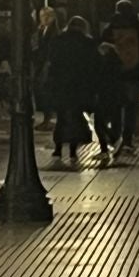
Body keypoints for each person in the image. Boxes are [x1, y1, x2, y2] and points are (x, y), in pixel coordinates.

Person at [99, 0, 139, 154]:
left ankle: (115, 136)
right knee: (131, 107)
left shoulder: (109, 29)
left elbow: (102, 53)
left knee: (115, 106)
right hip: (134, 75)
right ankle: (128, 138)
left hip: (115, 75)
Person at [44, 15, 101, 168]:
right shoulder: (88, 43)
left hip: (60, 84)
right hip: (79, 85)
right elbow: (94, 66)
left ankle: (57, 148)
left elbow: (51, 61)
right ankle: (73, 150)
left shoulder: (58, 40)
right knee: (76, 116)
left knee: (62, 117)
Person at [92, 41, 126, 160]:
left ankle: (109, 144)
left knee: (98, 122)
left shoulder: (105, 64)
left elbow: (100, 81)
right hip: (117, 97)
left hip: (105, 96)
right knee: (111, 121)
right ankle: (114, 140)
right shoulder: (118, 63)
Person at [31, 6, 60, 129]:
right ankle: (46, 117)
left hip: (47, 64)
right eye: (41, 17)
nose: (42, 19)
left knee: (46, 91)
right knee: (42, 91)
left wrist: (47, 63)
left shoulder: (53, 32)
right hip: (41, 63)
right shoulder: (43, 30)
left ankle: (48, 118)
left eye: (45, 16)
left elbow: (50, 48)